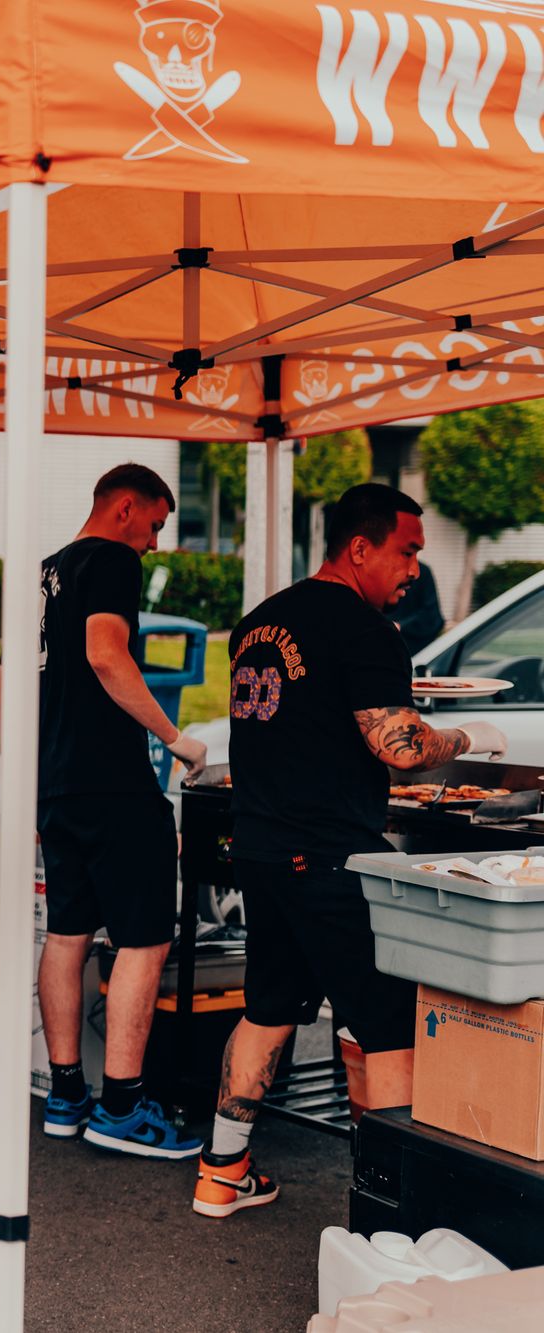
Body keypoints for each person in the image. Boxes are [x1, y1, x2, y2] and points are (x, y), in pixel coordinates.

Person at [196, 484, 508, 1219]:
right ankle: (391, 1206)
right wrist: (472, 737)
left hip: (261, 847)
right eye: (407, 552)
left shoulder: (258, 623)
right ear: (360, 547)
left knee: (269, 1006)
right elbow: (400, 746)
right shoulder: (365, 630)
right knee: (389, 1021)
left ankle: (222, 1169)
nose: (415, 570)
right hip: (330, 856)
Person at [0, 463, 208, 1159]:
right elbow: (106, 655)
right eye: (155, 524)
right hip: (113, 782)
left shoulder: (41, 574)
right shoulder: (113, 560)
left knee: (68, 932)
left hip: (54, 784)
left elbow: (2, 696)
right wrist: (175, 738)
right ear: (125, 509)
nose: (154, 542)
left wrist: (28, 782)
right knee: (144, 939)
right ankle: (121, 1106)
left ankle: (66, 1095)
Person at [391, 562, 443, 657]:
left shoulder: (422, 572)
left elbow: (431, 616)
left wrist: (400, 626)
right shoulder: (382, 570)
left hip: (416, 650)